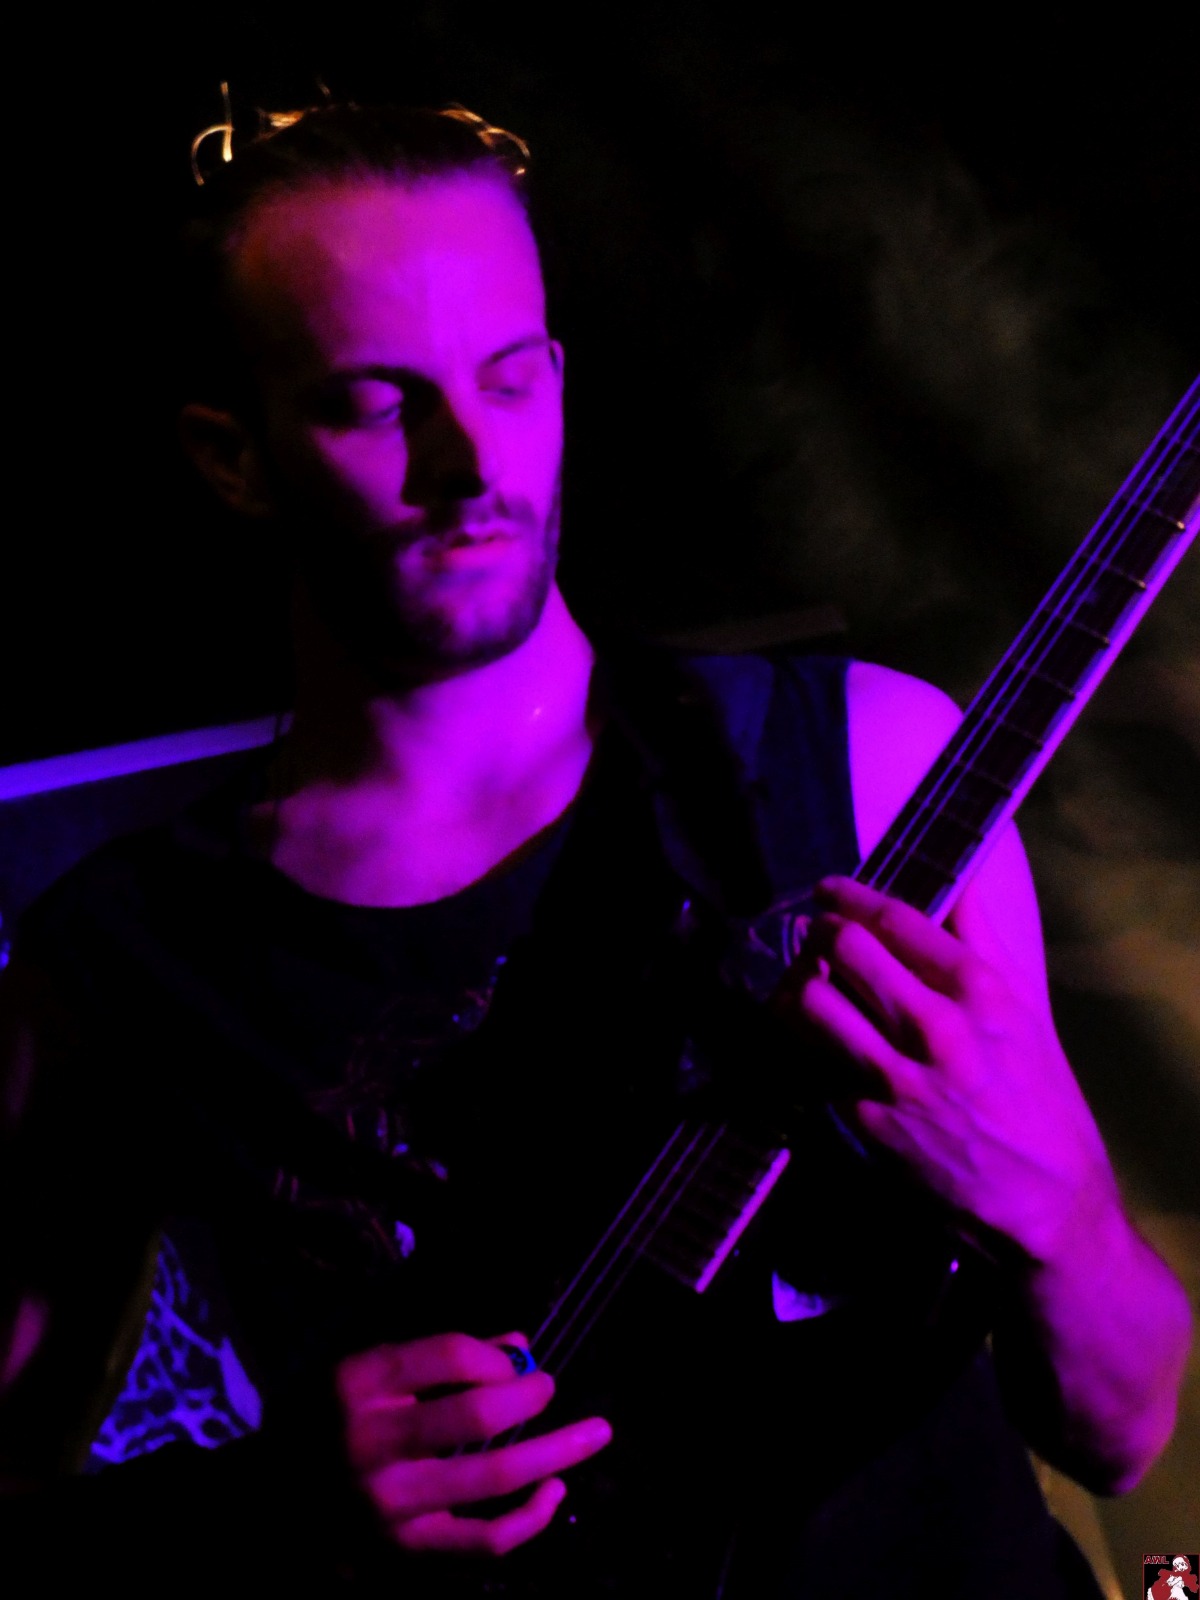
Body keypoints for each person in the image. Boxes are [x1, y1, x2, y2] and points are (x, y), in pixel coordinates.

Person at [0, 104, 1191, 1596]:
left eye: (508, 376)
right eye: (375, 403)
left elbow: (1120, 1428)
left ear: (558, 378)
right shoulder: (118, 960)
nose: (469, 459)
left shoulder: (864, 761)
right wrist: (272, 1511)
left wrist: (1055, 1206)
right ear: (231, 457)